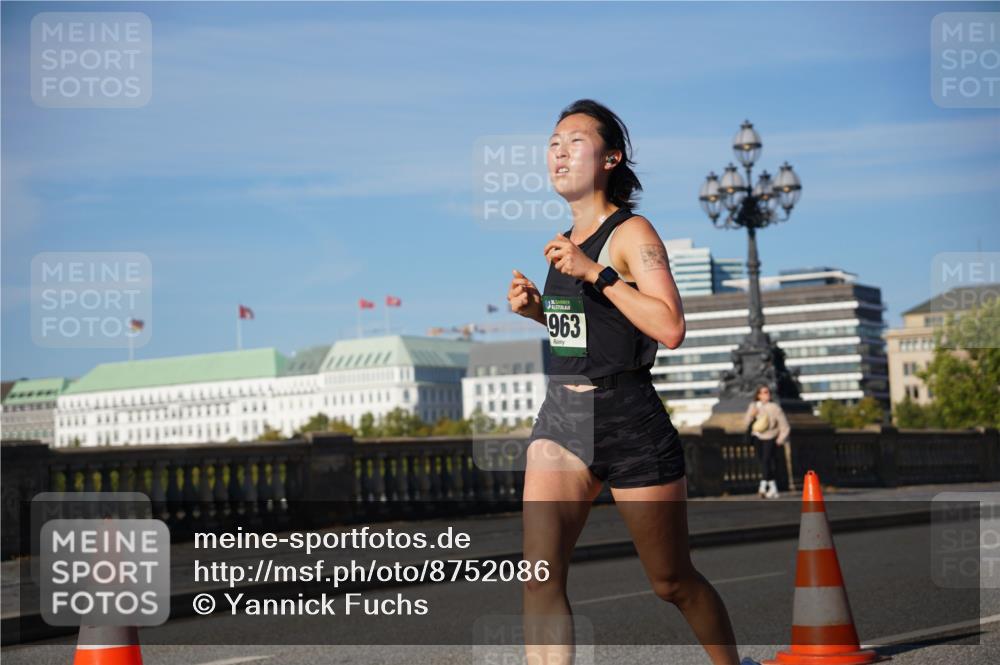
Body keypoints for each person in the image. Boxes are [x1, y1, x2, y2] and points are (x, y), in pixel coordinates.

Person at [507, 99, 757, 665]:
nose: (559, 152)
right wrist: (540, 312)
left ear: (612, 158)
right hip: (562, 419)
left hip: (629, 420)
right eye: (553, 142)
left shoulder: (631, 232)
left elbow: (669, 326)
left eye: (575, 141)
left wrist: (595, 271)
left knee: (672, 582)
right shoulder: (565, 241)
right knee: (538, 577)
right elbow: (593, 334)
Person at [744, 384, 790, 499]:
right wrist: (752, 415)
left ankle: (763, 486)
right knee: (763, 462)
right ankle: (773, 488)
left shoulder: (774, 407)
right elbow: (746, 422)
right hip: (757, 437)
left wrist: (780, 439)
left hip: (770, 437)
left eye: (768, 392)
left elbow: (784, 426)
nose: (767, 395)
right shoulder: (753, 406)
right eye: (764, 392)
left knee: (766, 461)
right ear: (758, 395)